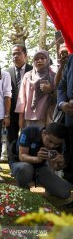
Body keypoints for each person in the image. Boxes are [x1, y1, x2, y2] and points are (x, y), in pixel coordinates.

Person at [10, 122, 72, 199]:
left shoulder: (60, 143)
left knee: (65, 192)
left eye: (56, 144)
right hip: (20, 164)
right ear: (44, 133)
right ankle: (23, 189)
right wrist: (37, 159)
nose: (52, 146)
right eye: (50, 141)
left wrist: (60, 164)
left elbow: (55, 168)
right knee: (25, 168)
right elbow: (22, 156)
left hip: (41, 168)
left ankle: (48, 187)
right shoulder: (29, 131)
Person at [15, 50, 56, 129]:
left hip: (46, 116)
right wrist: (21, 118)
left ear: (47, 60)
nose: (39, 61)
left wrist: (51, 90)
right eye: (36, 59)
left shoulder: (53, 75)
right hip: (29, 117)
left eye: (42, 58)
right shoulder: (28, 76)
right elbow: (22, 98)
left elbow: (58, 96)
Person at [6, 45, 33, 161]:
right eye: (13, 54)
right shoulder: (6, 73)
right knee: (11, 139)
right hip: (11, 113)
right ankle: (13, 165)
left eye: (18, 53)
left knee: (27, 139)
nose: (15, 56)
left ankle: (27, 163)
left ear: (25, 55)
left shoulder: (33, 70)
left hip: (28, 112)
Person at [57, 53, 73, 188]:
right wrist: (62, 104)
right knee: (70, 156)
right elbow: (62, 86)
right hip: (70, 119)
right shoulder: (71, 58)